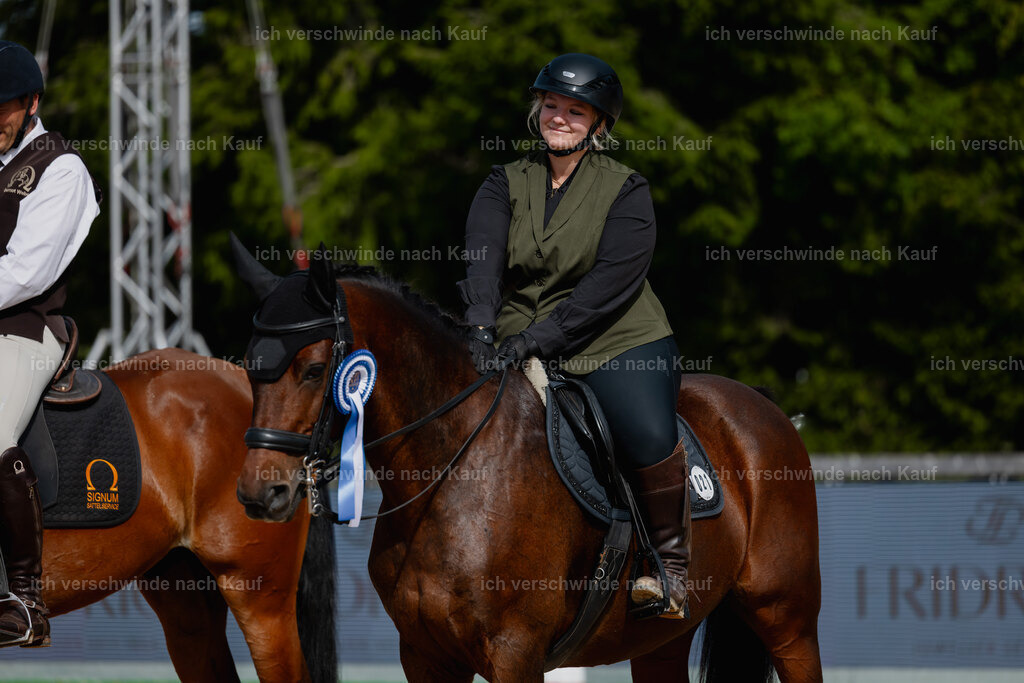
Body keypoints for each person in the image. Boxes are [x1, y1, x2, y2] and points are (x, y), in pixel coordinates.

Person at [457, 53, 691, 618]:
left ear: (599, 124)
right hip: (513, 332)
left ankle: (670, 565)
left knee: (645, 431)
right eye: (552, 106)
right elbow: (482, 260)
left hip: (614, 337)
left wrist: (541, 338)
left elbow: (610, 284)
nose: (559, 117)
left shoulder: (627, 190)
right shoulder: (503, 181)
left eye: (576, 111)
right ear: (537, 109)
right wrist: (482, 330)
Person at [0, 40, 101, 647]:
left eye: (1, 109)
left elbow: (27, 272)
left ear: (32, 103)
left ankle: (25, 600)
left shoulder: (60, 167)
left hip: (24, 329)